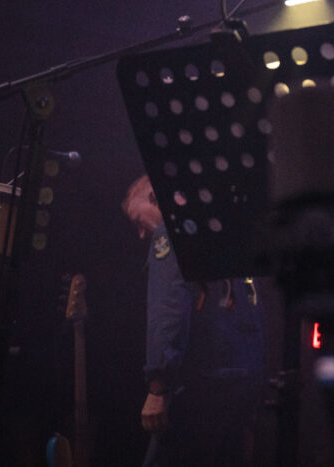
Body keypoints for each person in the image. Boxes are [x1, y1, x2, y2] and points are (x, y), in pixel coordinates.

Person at [122, 175, 265, 466]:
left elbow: (169, 308)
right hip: (243, 378)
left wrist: (158, 385)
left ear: (154, 198)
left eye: (138, 220)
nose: (140, 234)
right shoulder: (224, 231)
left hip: (200, 383)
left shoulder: (170, 233)